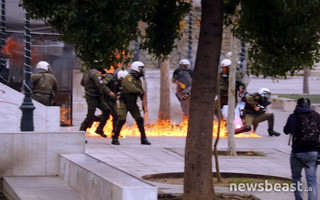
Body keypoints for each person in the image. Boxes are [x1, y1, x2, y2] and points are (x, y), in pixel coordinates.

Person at [284, 98, 319, 200]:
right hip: (313, 153)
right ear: (310, 106)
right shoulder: (316, 116)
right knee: (311, 180)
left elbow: (286, 131)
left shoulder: (293, 117)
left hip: (297, 153)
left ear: (297, 106)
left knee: (296, 177)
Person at [112, 61, 151, 145]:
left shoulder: (138, 80)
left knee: (140, 120)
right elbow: (131, 89)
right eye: (141, 69)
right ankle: (115, 137)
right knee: (122, 120)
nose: (142, 71)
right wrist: (140, 92)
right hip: (124, 102)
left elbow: (141, 90)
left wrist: (143, 100)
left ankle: (143, 138)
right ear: (137, 69)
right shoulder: (128, 78)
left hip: (132, 103)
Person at [79, 67, 115, 138]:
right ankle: (80, 134)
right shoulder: (95, 73)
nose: (101, 75)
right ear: (100, 71)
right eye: (102, 74)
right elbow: (100, 84)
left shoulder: (87, 73)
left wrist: (90, 85)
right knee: (90, 116)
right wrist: (109, 92)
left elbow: (82, 83)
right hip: (92, 97)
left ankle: (99, 129)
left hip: (96, 96)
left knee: (107, 110)